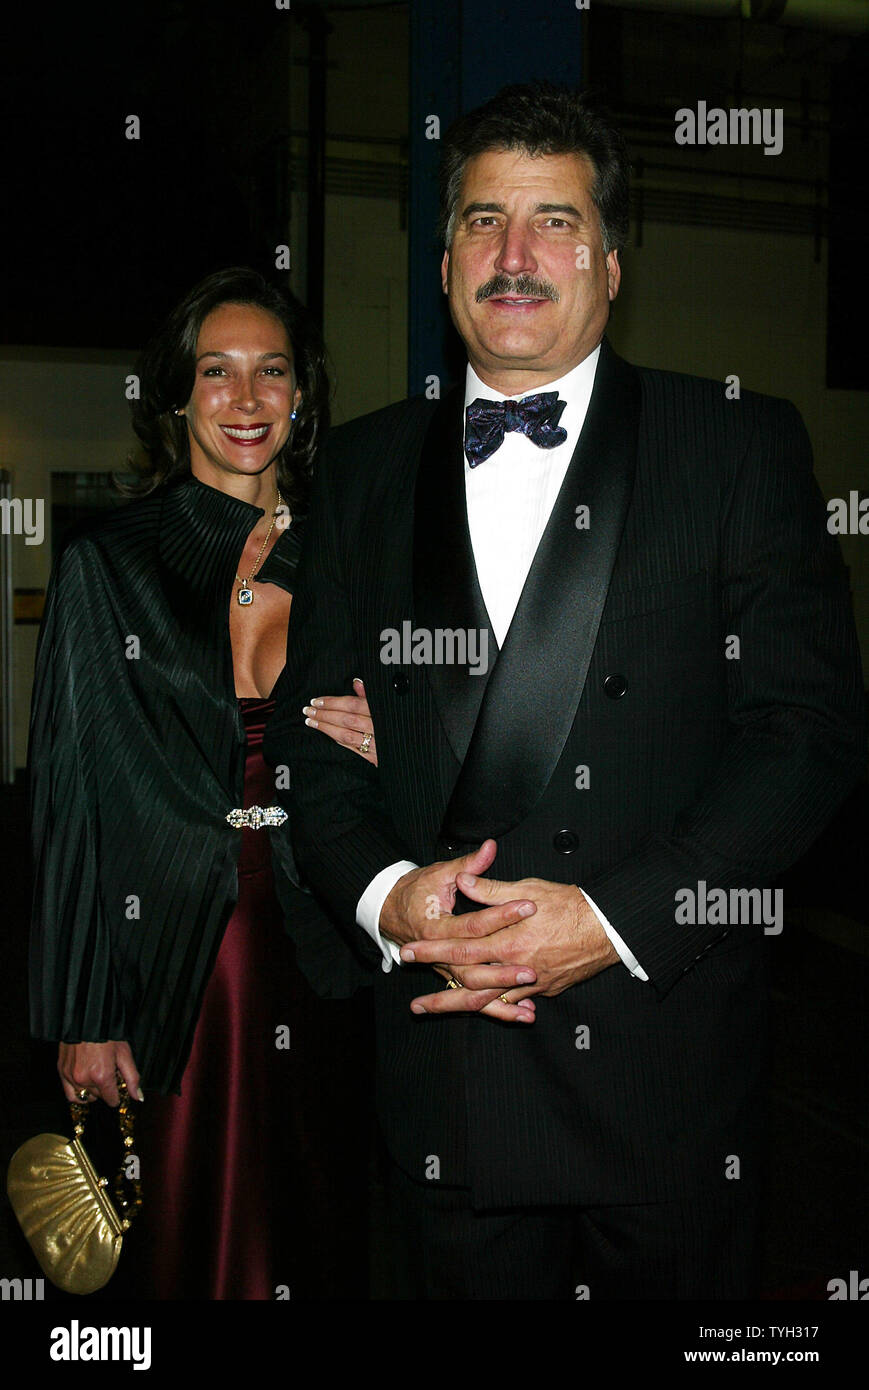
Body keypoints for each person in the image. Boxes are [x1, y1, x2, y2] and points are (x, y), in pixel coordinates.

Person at [266, 83, 867, 1300]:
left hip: (665, 1073)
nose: (515, 255)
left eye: (552, 221)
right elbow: (310, 744)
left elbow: (803, 736)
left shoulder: (735, 445)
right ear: (442, 265)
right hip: (449, 1074)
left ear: (607, 264)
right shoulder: (368, 468)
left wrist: (617, 918)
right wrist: (389, 897)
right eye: (483, 222)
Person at [29, 267, 377, 1299]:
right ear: (174, 395)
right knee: (193, 1218)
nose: (245, 396)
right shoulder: (113, 563)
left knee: (319, 1207)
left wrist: (393, 743)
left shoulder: (351, 558)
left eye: (271, 371)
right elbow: (70, 795)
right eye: (214, 372)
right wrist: (81, 1010)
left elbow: (444, 744)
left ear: (302, 396)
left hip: (331, 935)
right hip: (178, 949)